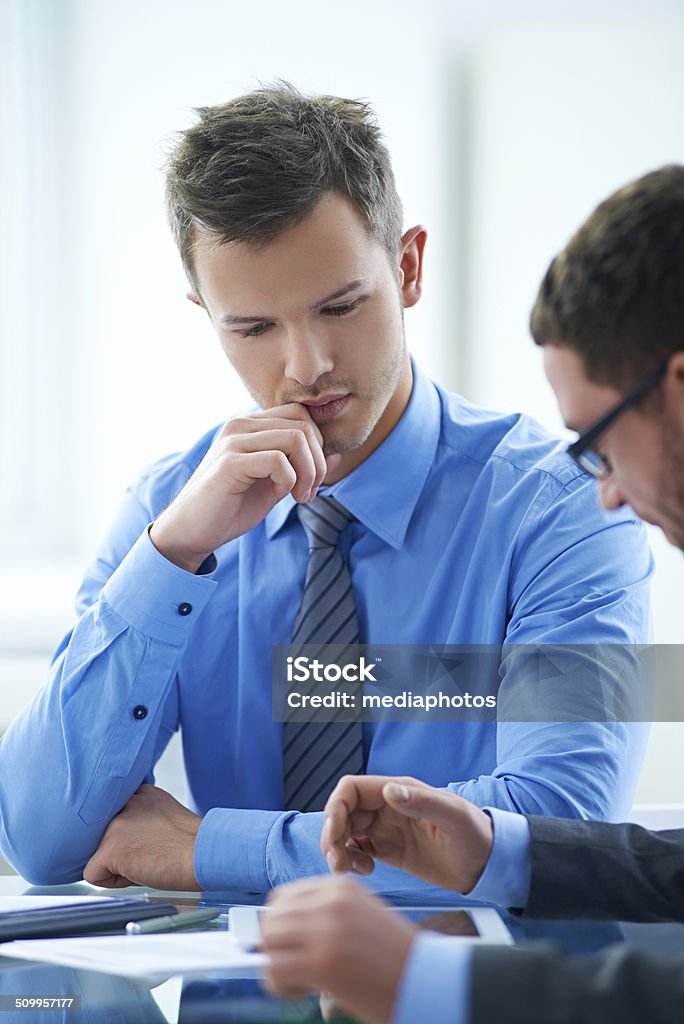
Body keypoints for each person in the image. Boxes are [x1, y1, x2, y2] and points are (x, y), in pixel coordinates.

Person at [0, 84, 652, 891]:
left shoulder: (564, 512)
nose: (306, 365)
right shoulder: (167, 515)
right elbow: (40, 839)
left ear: (408, 267)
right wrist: (171, 556)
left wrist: (205, 849)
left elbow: (555, 833)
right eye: (252, 328)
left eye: (340, 306)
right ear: (205, 313)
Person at [261, 164, 684, 1024]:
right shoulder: (190, 501)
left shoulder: (545, 511)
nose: (604, 490)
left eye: (597, 439)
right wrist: (494, 849)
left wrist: (425, 983)